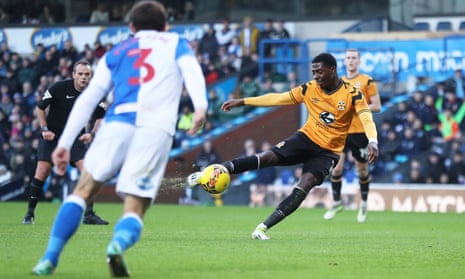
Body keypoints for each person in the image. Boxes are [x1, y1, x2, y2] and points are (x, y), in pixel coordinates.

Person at [31, 1, 207, 276]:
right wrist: (200, 107)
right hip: (155, 127)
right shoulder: (175, 42)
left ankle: (49, 258)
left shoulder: (117, 50)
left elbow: (89, 98)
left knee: (83, 190)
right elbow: (192, 71)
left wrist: (64, 143)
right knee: (136, 204)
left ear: (131, 28)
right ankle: (116, 245)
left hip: (117, 123)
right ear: (164, 26)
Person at [188, 52, 378, 240]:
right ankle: (215, 171)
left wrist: (372, 141)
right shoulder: (308, 89)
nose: (316, 76)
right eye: (314, 72)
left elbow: (366, 118)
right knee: (267, 157)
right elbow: (277, 98)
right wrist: (244, 101)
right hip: (306, 139)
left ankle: (262, 228)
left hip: (328, 152)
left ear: (332, 70)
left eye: (320, 72)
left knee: (305, 185)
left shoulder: (352, 94)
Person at [22, 60, 108, 225]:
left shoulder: (95, 92)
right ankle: (29, 213)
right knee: (42, 171)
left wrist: (92, 133)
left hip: (76, 137)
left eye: (87, 74)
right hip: (52, 136)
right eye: (80, 74)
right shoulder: (59, 87)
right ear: (74, 75)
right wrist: (44, 129)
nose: (83, 77)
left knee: (87, 171)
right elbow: (40, 108)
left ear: (90, 76)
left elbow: (100, 116)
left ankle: (89, 214)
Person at [323, 48, 381, 223]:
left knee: (361, 170)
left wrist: (356, 108)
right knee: (336, 168)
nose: (351, 60)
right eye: (348, 58)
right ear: (344, 61)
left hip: (360, 132)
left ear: (359, 61)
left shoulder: (367, 80)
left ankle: (363, 204)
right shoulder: (337, 82)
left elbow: (377, 106)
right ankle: (336, 202)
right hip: (340, 131)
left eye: (354, 58)